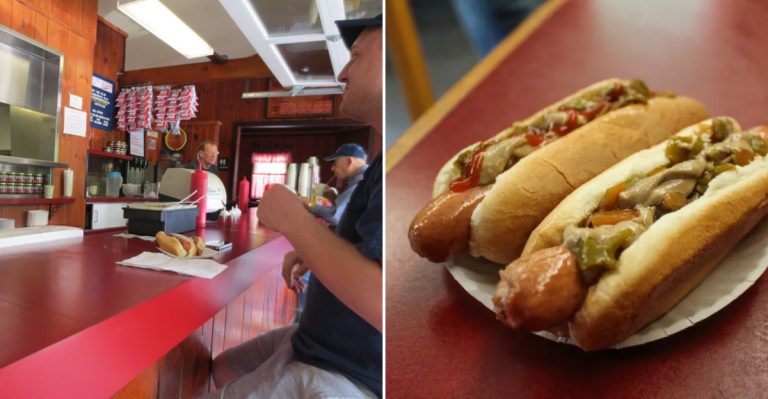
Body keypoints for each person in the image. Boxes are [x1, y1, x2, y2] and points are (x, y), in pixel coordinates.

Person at [201, 14, 382, 399]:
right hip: (317, 341)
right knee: (219, 367)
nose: (344, 72)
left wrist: (297, 222)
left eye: (357, 56)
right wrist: (314, 246)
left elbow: (385, 303)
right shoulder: (386, 163)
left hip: (339, 371)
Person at [310, 143, 368, 225]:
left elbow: (335, 216)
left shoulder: (361, 181)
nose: (332, 168)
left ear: (349, 162)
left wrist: (309, 205)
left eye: (335, 163)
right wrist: (335, 199)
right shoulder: (367, 176)